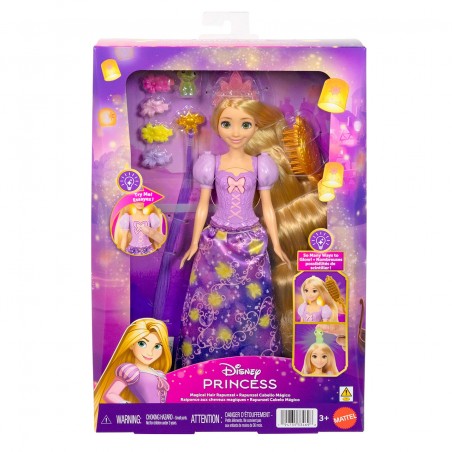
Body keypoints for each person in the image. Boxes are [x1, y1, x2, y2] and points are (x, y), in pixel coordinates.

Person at [175, 73, 326, 364]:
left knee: (252, 302)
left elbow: (267, 207)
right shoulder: (211, 163)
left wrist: (277, 245)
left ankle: (254, 362)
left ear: (256, 126)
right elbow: (203, 206)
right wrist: (193, 244)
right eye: (227, 123)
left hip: (251, 241)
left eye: (245, 124)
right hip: (216, 241)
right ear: (217, 124)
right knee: (210, 302)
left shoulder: (261, 164)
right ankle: (207, 361)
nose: (236, 132)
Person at [93, 318, 172, 427]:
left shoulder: (158, 373)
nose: (150, 352)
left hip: (162, 419)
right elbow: (110, 394)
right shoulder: (130, 370)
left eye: (157, 346)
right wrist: (130, 408)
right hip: (146, 418)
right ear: (131, 344)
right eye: (142, 344)